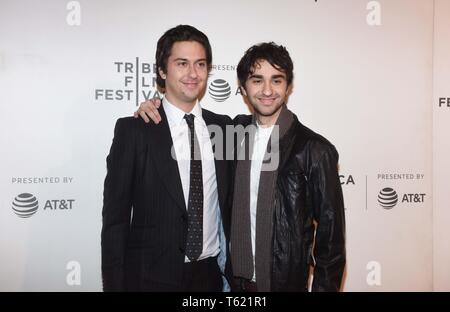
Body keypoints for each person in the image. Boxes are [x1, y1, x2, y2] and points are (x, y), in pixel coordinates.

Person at [136, 42, 346, 292]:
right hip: (232, 284)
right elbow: (182, 118)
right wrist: (153, 107)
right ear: (243, 89)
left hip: (285, 285)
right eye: (257, 80)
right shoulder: (231, 135)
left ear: (288, 86)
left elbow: (331, 245)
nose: (267, 90)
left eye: (276, 80)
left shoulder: (315, 150)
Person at [102, 25, 233, 292]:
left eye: (200, 64)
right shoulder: (135, 130)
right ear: (162, 71)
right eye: (182, 63)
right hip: (149, 278)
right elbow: (115, 221)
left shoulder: (226, 128)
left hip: (209, 277)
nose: (193, 73)